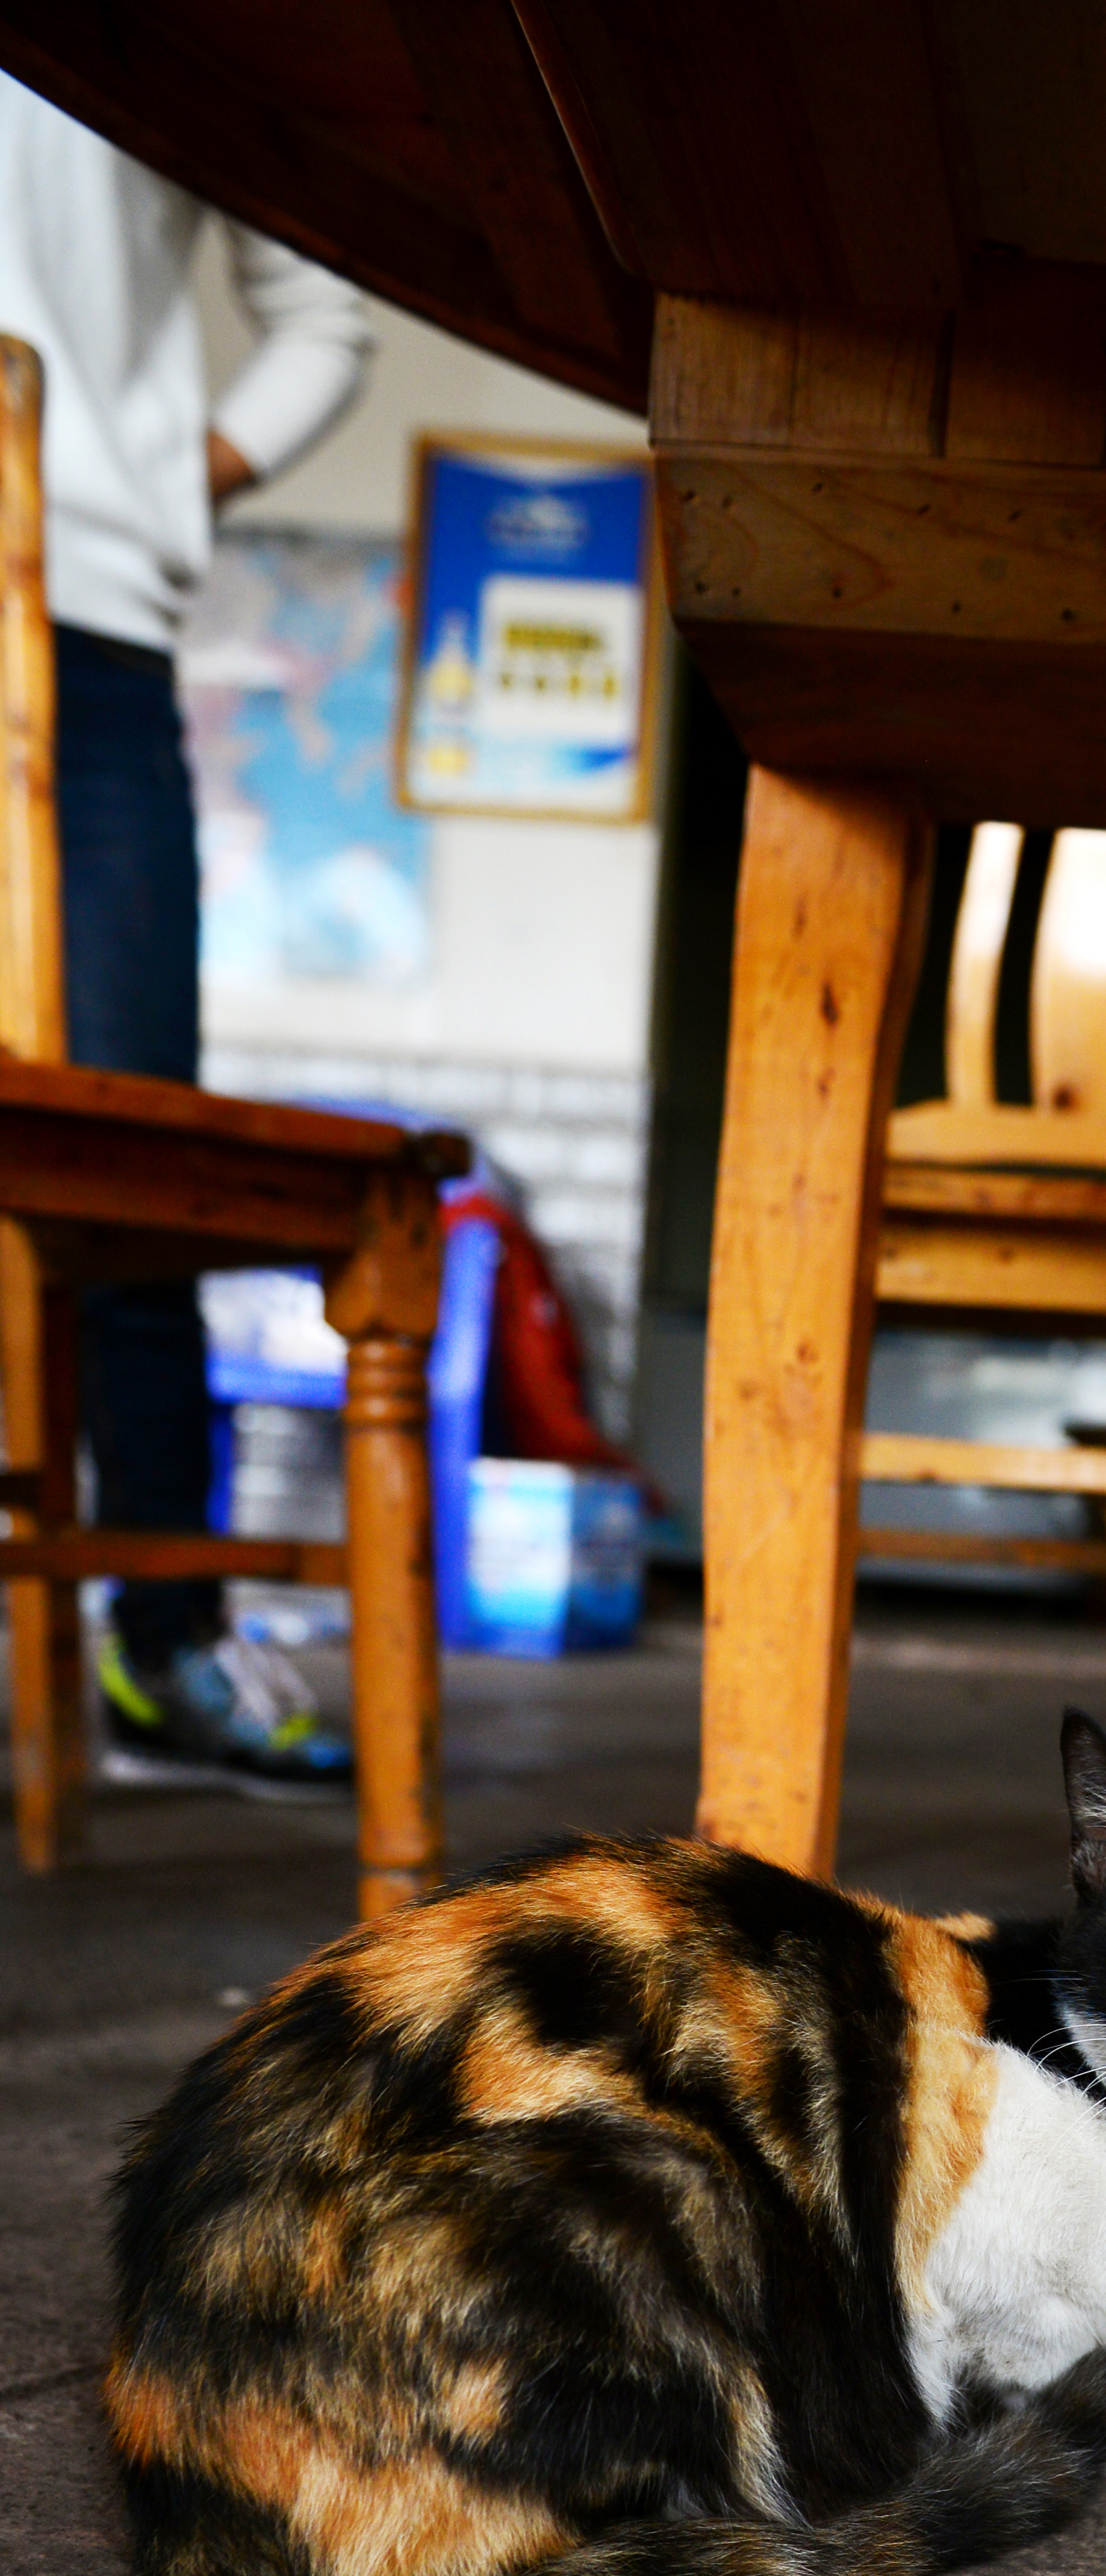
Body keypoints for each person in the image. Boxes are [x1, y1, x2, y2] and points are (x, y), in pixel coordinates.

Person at [0, 77, 371, 1780]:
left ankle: (163, 1642)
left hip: (92, 627)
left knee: (129, 1157)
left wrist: (154, 482)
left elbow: (326, 318)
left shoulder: (172, 39)